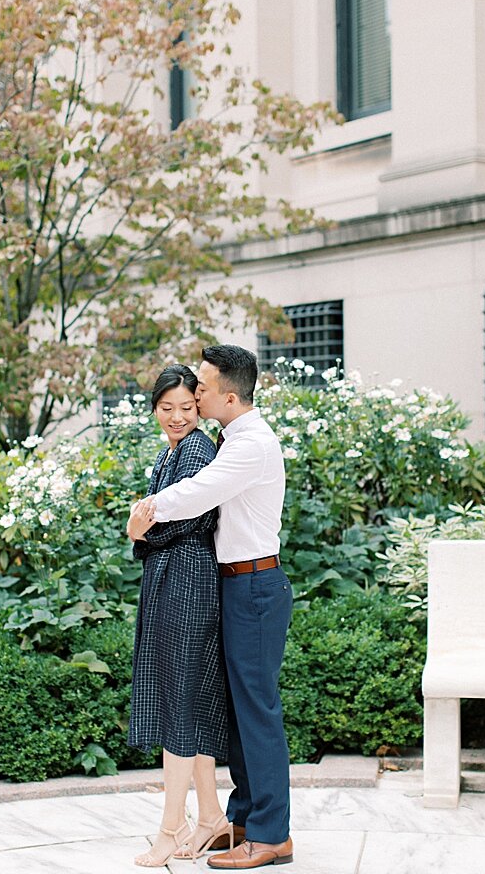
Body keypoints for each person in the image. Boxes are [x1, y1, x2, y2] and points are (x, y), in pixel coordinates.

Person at [129, 344, 294, 871]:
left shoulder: (250, 446)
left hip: (255, 586)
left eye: (200, 387)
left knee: (259, 713)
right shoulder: (231, 436)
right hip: (235, 584)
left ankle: (271, 836)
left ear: (227, 394)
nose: (193, 396)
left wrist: (144, 514)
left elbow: (198, 494)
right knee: (240, 712)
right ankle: (240, 820)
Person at [125, 364, 232, 867]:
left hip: (189, 583)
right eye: (166, 408)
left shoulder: (198, 449)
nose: (177, 417)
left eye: (186, 407)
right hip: (171, 581)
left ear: (198, 405)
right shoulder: (169, 452)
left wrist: (141, 532)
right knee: (184, 697)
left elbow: (194, 516)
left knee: (180, 701)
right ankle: (210, 816)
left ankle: (172, 828)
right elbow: (151, 517)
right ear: (155, 410)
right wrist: (142, 531)